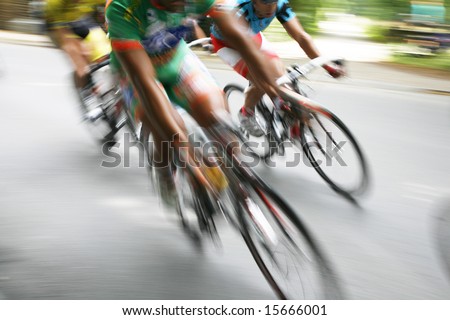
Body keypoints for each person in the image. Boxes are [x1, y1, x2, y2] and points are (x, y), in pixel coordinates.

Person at [105, 0, 278, 205]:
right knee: (167, 131)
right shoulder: (121, 7)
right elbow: (145, 82)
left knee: (216, 114)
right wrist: (182, 147)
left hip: (176, 60)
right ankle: (165, 171)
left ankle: (236, 182)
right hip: (137, 72)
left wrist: (273, 87)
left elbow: (239, 36)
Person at [210, 0, 344, 136]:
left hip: (252, 36)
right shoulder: (238, 11)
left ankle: (293, 123)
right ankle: (246, 113)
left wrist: (326, 65)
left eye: (274, 1)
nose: (271, 7)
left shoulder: (280, 5)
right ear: (254, 2)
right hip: (228, 44)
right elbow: (251, 59)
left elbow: (301, 37)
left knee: (282, 80)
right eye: (265, 2)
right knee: (262, 81)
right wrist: (275, 97)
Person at [44, 0, 111, 90]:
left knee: (105, 53)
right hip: (57, 26)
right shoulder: (55, 3)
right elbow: (63, 36)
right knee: (81, 59)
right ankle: (86, 89)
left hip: (80, 20)